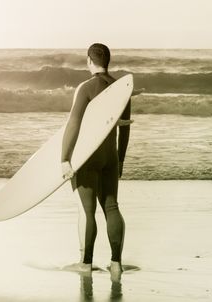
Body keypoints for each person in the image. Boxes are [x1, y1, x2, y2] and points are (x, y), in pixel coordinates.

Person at [60, 43, 131, 278]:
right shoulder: (123, 89)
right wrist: (120, 160)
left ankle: (86, 264)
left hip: (89, 157)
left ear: (89, 61)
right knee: (112, 207)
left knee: (88, 211)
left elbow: (74, 124)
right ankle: (116, 264)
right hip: (110, 155)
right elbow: (125, 130)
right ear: (108, 61)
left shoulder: (87, 88)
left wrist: (65, 158)